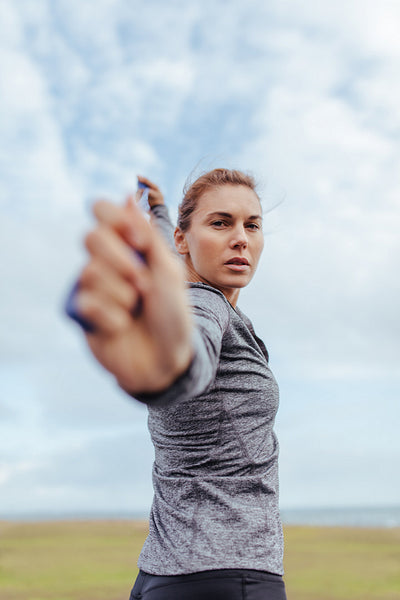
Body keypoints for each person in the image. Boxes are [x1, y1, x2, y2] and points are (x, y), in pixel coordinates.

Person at [71, 168, 287, 600]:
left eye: (253, 225)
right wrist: (160, 370)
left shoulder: (195, 288)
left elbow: (173, 263)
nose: (241, 238)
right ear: (185, 241)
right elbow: (191, 355)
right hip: (229, 575)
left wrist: (159, 211)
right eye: (221, 223)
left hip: (161, 573)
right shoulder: (206, 305)